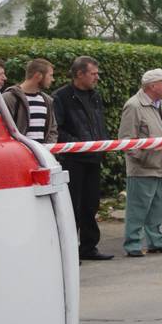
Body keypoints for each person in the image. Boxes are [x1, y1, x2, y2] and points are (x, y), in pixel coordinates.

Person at [51, 55, 111, 261]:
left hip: (94, 158)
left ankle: (89, 246)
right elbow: (56, 129)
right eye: (93, 74)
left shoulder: (95, 96)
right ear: (79, 74)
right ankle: (68, 250)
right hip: (73, 160)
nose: (97, 78)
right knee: (73, 206)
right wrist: (78, 145)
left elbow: (98, 123)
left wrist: (102, 144)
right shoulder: (61, 97)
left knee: (91, 204)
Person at [118, 69, 162, 257]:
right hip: (142, 168)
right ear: (153, 86)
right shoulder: (134, 106)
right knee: (138, 208)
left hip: (160, 166)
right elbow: (126, 139)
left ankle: (155, 240)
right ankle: (133, 244)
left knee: (158, 207)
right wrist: (142, 157)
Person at [3, 58, 58, 143]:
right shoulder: (10, 98)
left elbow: (52, 130)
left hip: (41, 154)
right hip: (18, 154)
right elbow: (3, 129)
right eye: (50, 75)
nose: (53, 79)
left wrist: (47, 150)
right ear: (38, 76)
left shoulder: (47, 101)